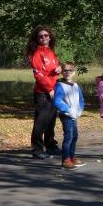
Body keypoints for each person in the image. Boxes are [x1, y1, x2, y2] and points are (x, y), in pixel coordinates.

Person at [27, 26, 61, 159]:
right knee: (41, 122)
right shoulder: (36, 53)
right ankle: (37, 150)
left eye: (46, 35)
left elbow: (52, 70)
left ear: (50, 37)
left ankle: (50, 146)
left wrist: (59, 68)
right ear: (37, 39)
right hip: (43, 93)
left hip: (54, 91)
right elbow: (39, 75)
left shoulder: (51, 52)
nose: (44, 38)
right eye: (40, 36)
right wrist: (49, 89)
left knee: (51, 121)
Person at [53, 62, 86, 170]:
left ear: (74, 72)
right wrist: (69, 110)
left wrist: (80, 110)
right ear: (62, 72)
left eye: (70, 70)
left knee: (74, 136)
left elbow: (81, 99)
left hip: (75, 115)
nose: (67, 72)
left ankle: (72, 157)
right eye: (65, 70)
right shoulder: (60, 85)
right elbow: (57, 101)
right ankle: (66, 160)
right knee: (69, 137)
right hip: (66, 115)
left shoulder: (75, 86)